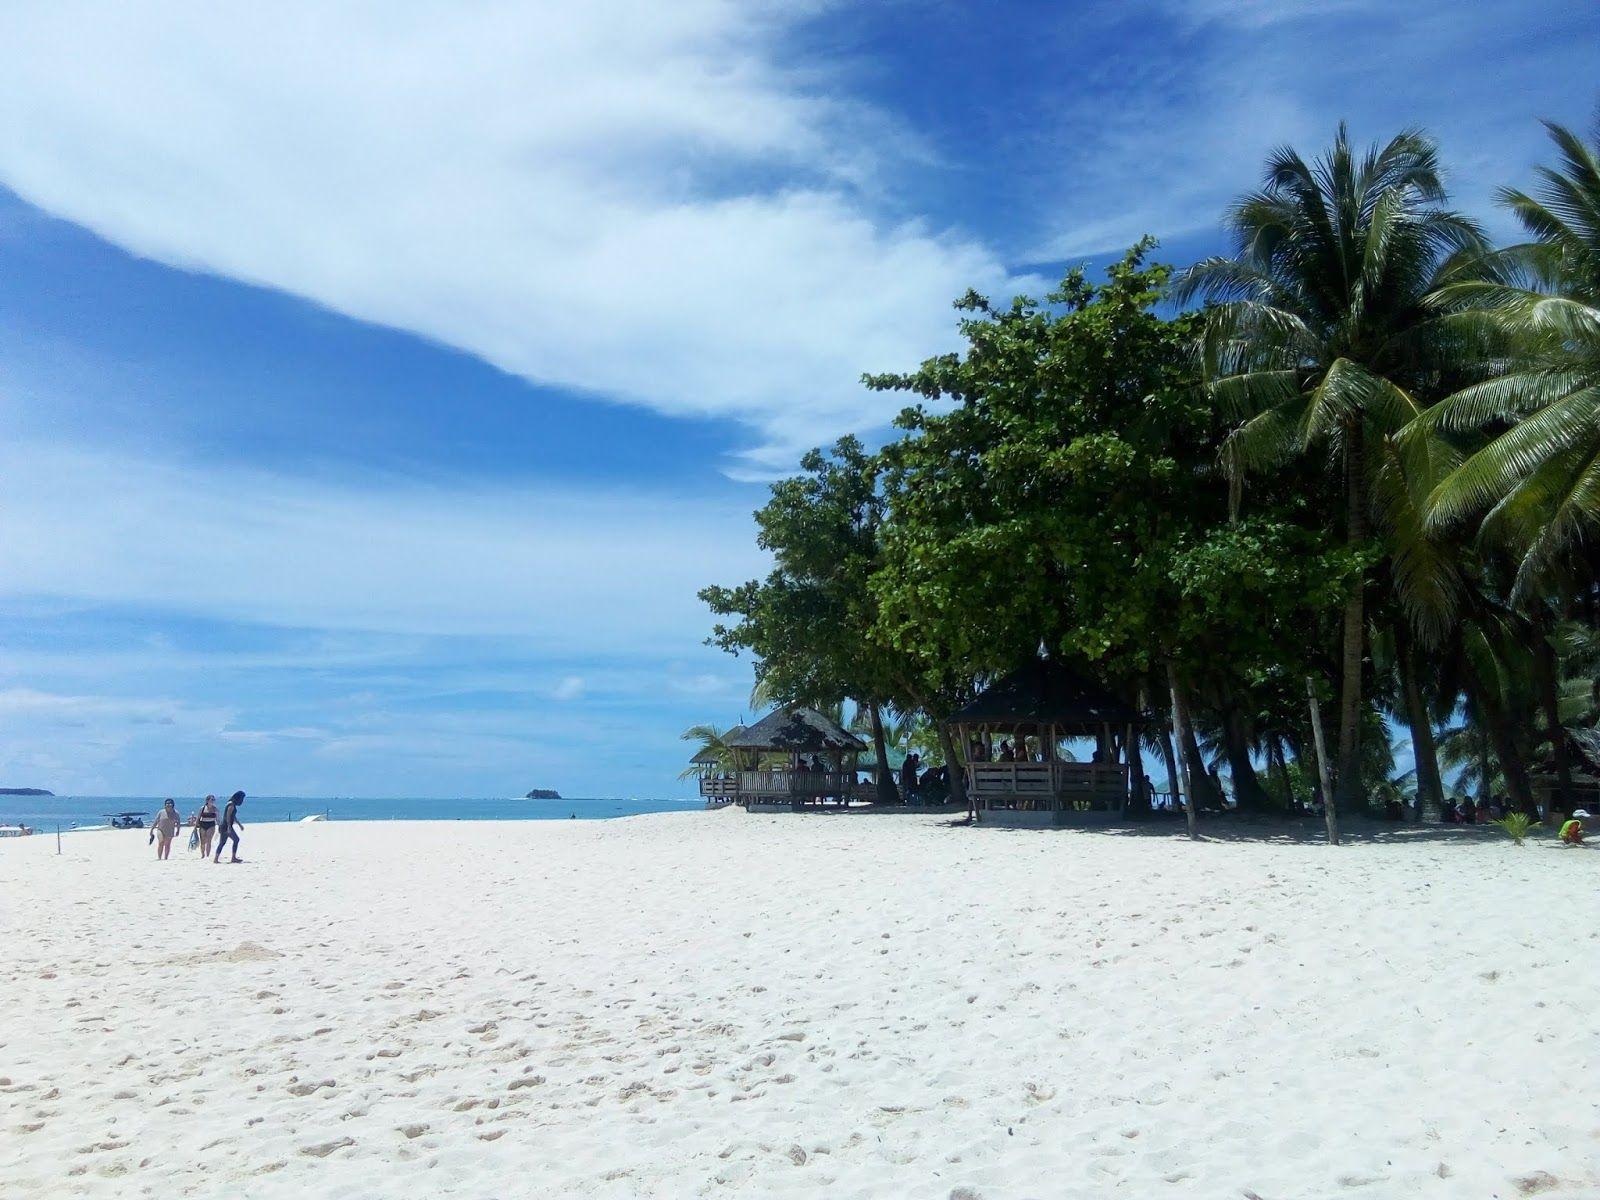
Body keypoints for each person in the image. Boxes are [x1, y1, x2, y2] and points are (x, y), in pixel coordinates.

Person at [213, 791, 245, 863]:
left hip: (224, 826)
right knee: (236, 839)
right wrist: (229, 827)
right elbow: (228, 816)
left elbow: (233, 816)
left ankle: (216, 859)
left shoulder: (231, 804)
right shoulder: (231, 805)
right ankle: (233, 858)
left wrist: (239, 825)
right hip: (225, 826)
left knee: (222, 843)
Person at [195, 794, 219, 859]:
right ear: (207, 800)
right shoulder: (202, 808)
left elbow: (218, 819)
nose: (213, 801)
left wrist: (219, 826)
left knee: (209, 840)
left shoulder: (215, 809)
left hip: (211, 825)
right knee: (202, 841)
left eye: (214, 800)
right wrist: (195, 826)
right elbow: (198, 817)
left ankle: (207, 855)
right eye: (211, 800)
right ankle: (202, 854)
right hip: (202, 824)